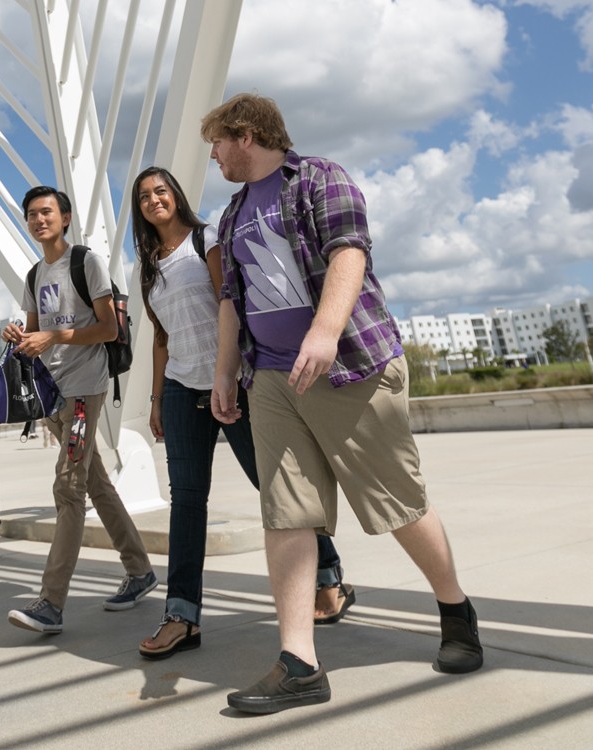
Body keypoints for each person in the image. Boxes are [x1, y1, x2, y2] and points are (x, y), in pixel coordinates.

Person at [202, 94, 484, 714]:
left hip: (349, 367)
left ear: (244, 134)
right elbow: (230, 297)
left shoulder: (318, 178)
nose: (214, 155)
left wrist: (325, 331)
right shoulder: (228, 216)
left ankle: (455, 609)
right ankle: (299, 662)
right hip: (271, 380)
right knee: (287, 512)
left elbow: (348, 250)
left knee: (396, 501)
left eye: (217, 143)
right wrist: (225, 373)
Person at [126, 166, 355, 660]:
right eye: (144, 196)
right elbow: (162, 337)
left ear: (176, 195)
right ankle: (181, 615)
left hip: (234, 385)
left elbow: (232, 303)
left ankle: (328, 573)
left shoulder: (205, 239)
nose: (153, 200)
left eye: (160, 190)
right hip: (183, 389)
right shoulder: (143, 265)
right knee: (187, 502)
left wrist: (236, 375)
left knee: (275, 488)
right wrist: (155, 399)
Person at [1, 185, 156, 634]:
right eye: (31, 214)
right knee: (95, 482)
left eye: (46, 212)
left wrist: (55, 336)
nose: (38, 220)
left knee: (69, 488)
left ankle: (51, 603)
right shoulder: (34, 276)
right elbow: (35, 334)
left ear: (65, 218)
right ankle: (140, 570)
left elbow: (107, 329)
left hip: (86, 390)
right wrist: (21, 336)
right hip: (54, 394)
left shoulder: (85, 262)